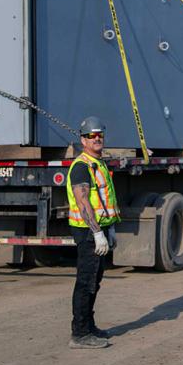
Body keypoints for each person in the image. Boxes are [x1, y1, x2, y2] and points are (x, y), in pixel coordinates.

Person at [66, 116, 121, 350]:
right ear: (82, 140)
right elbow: (83, 201)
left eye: (99, 134)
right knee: (86, 282)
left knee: (95, 281)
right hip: (88, 233)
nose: (96, 138)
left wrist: (110, 227)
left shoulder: (98, 164)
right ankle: (79, 334)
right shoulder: (82, 166)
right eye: (91, 136)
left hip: (100, 229)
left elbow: (103, 201)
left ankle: (88, 326)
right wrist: (97, 233)